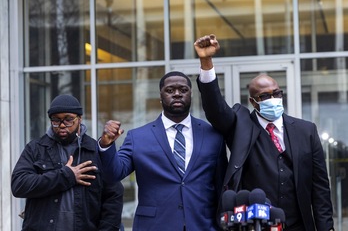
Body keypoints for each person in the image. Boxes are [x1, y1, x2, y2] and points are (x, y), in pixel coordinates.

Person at [194, 34, 335, 231]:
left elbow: (320, 188)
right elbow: (216, 110)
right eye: (265, 96)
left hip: (299, 226)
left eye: (277, 93)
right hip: (256, 225)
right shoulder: (240, 126)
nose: (273, 99)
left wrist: (326, 228)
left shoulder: (306, 130)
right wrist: (206, 62)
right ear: (253, 102)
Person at [98, 71, 228, 230]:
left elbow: (221, 185)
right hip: (155, 225)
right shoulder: (138, 137)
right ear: (160, 96)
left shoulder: (212, 135)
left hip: (203, 225)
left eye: (183, 90)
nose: (177, 94)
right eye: (170, 90)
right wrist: (106, 146)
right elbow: (114, 174)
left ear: (191, 94)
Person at [11, 94, 124, 231]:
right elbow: (19, 185)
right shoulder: (36, 148)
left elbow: (113, 197)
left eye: (69, 119)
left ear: (80, 119)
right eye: (56, 120)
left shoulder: (95, 151)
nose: (62, 125)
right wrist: (66, 176)